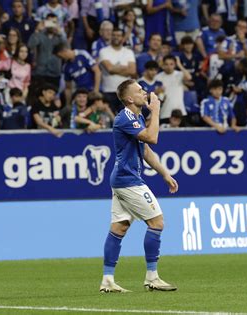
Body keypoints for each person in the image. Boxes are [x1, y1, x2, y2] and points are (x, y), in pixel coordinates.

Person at [100, 79, 178, 293]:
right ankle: (152, 277)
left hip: (121, 179)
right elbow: (152, 138)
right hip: (128, 179)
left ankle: (107, 280)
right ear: (129, 98)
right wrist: (157, 110)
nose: (145, 92)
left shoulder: (137, 117)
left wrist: (164, 173)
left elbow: (144, 150)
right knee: (157, 222)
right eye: (140, 90)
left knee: (119, 227)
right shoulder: (125, 118)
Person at [99, 28, 136, 114]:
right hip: (108, 91)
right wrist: (125, 67)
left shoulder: (128, 52)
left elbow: (132, 70)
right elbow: (109, 69)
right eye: (114, 35)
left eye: (118, 35)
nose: (116, 37)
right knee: (109, 120)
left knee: (125, 119)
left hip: (125, 92)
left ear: (123, 38)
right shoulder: (104, 51)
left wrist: (115, 68)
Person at [155, 55, 191, 122]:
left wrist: (179, 65)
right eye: (166, 64)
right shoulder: (158, 77)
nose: (169, 67)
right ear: (163, 65)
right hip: (165, 113)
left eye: (171, 64)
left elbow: (189, 77)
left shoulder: (179, 74)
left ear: (175, 65)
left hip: (180, 112)